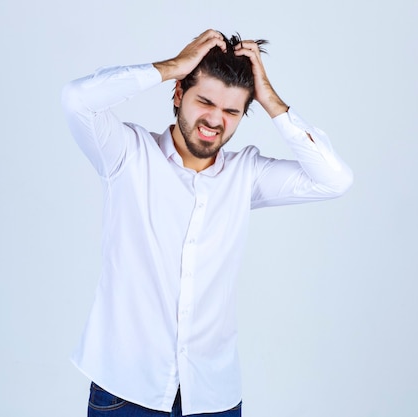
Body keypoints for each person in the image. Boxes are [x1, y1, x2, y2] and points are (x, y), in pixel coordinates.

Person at [61, 29, 353, 417]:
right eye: (205, 101)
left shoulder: (246, 174)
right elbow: (77, 99)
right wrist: (170, 68)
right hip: (126, 391)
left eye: (232, 111)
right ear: (179, 94)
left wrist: (268, 98)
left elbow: (334, 179)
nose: (215, 120)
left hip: (214, 398)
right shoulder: (127, 155)